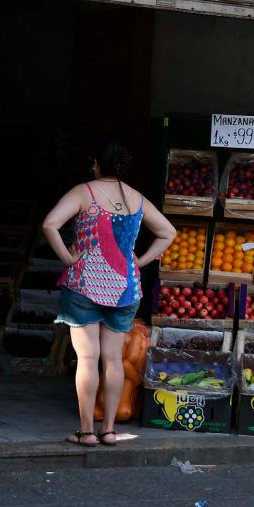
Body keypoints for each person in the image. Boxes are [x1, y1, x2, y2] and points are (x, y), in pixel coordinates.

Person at [42, 141, 176, 446]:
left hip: (85, 285)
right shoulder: (137, 198)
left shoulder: (84, 192)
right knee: (113, 359)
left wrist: (67, 258)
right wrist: (139, 262)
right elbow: (168, 231)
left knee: (88, 359)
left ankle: (87, 431)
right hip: (125, 290)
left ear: (95, 164)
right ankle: (110, 430)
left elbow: (50, 224)